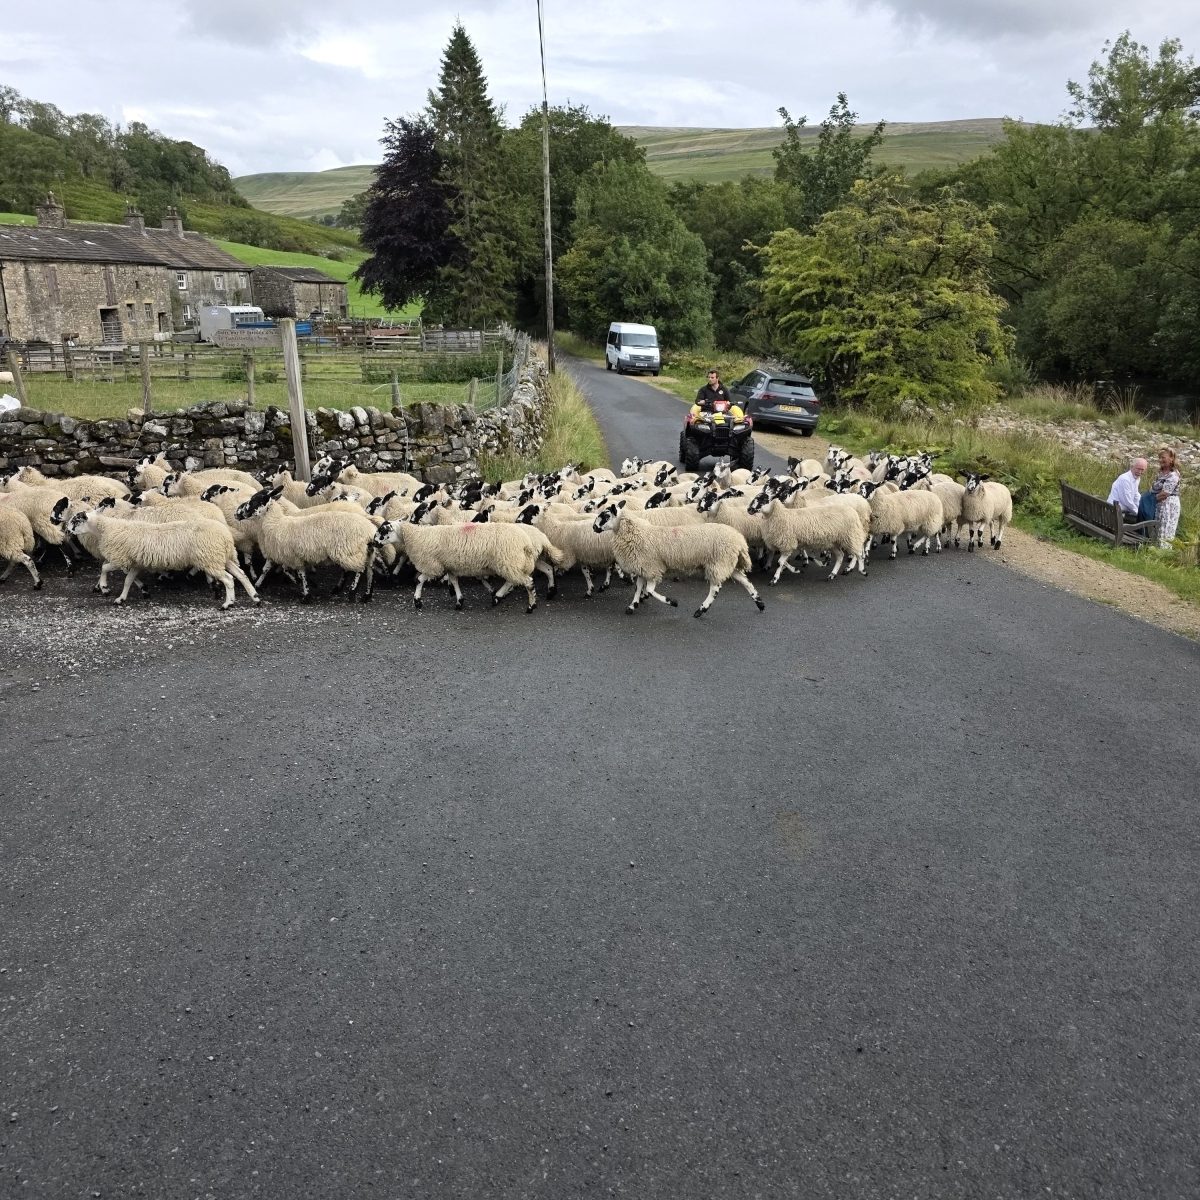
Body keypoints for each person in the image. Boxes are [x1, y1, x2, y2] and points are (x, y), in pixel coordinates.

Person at [1147, 446, 1182, 547]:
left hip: (1168, 506)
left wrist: (1149, 501)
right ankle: (1155, 551)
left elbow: (1165, 493)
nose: (1160, 460)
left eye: (1163, 457)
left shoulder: (1173, 475)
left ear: (1171, 459)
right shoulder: (1161, 472)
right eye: (1160, 457)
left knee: (1165, 530)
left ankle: (1164, 553)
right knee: (1158, 529)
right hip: (1159, 505)